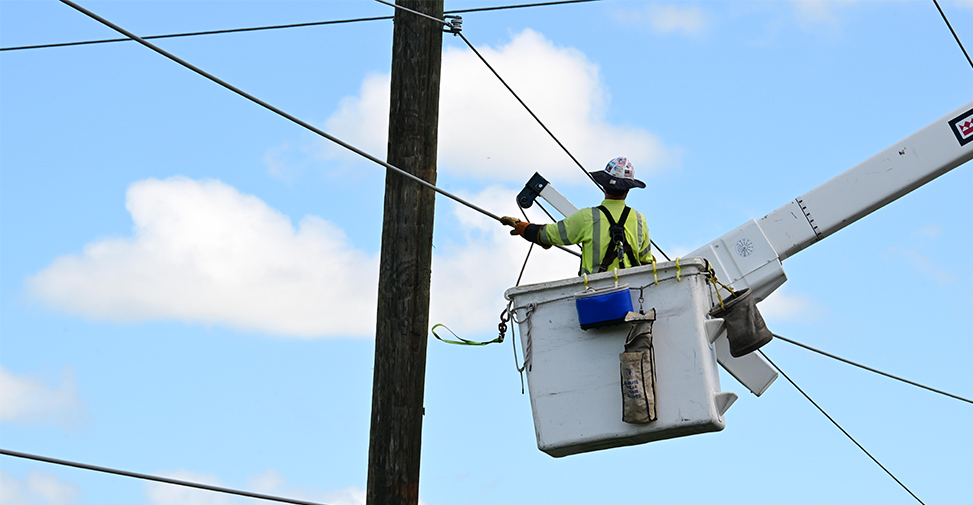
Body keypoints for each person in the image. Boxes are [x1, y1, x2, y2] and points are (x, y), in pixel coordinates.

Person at [501, 157, 654, 275]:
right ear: (628, 189)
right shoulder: (639, 219)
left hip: (595, 297)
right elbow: (647, 261)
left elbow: (547, 235)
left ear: (603, 185)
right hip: (631, 296)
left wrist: (519, 225)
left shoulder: (587, 217)